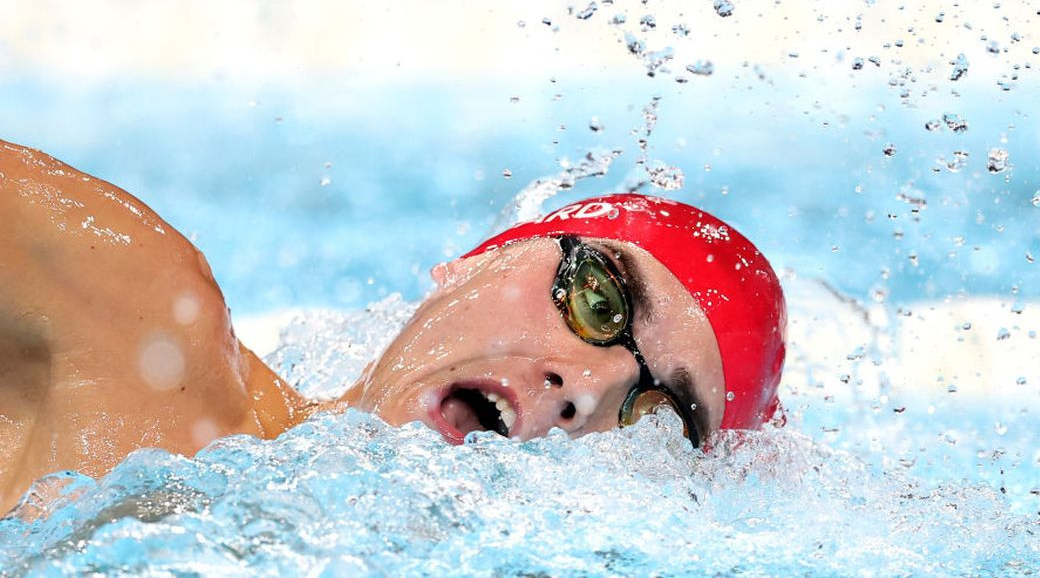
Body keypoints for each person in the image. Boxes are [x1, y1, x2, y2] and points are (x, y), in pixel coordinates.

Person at [0, 139, 786, 513]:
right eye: (599, 304)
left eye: (652, 418)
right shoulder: (134, 327)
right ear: (471, 263)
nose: (586, 386)